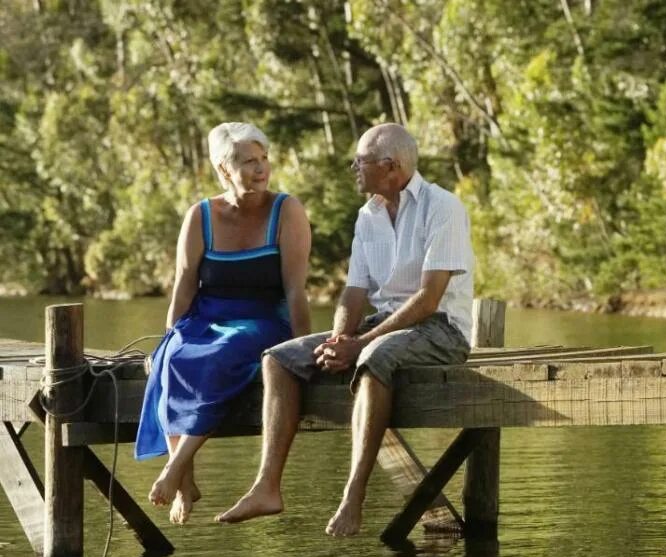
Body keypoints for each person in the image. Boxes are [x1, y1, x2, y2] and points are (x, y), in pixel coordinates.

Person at [216, 123, 473, 536]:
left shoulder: (442, 208)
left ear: (390, 167)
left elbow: (428, 299)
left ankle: (353, 497)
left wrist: (361, 345)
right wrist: (339, 339)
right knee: (278, 359)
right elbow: (353, 293)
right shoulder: (368, 216)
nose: (354, 167)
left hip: (441, 328)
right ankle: (267, 486)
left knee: (374, 358)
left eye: (361, 161)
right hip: (385, 326)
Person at [137, 122, 312, 524]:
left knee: (220, 355)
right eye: (249, 161)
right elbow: (184, 286)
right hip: (207, 315)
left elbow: (295, 290)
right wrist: (170, 335)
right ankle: (186, 480)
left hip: (263, 320)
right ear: (223, 169)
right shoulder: (200, 216)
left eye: (264, 158)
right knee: (171, 357)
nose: (261, 168)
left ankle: (174, 467)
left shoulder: (287, 211)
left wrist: (305, 350)